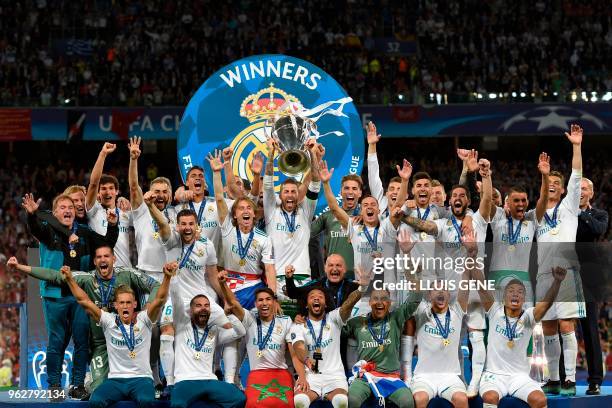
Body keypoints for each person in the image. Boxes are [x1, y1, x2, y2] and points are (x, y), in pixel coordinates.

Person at [7, 245, 160, 392]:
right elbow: (53, 276)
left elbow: (156, 285)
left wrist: (146, 307)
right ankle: (90, 380)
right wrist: (20, 267)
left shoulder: (127, 274)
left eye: (106, 256)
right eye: (99, 257)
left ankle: (155, 378)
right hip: (101, 344)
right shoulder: (87, 278)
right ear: (94, 262)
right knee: (98, 390)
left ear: (114, 258)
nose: (102, 259)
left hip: (127, 341)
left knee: (150, 338)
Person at [402, 159, 491, 396]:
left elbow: (487, 200)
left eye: (462, 195)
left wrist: (486, 175)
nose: (458, 198)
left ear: (468, 201)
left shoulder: (478, 220)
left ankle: (475, 383)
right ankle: (459, 379)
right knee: (451, 339)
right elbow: (424, 226)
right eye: (454, 196)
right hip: (447, 291)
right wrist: (402, 217)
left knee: (476, 333)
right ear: (449, 202)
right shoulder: (442, 223)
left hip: (472, 284)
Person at [22, 192, 119, 400]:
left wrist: (112, 225)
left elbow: (107, 243)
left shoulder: (84, 232)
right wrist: (32, 215)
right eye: (63, 207)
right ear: (55, 212)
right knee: (57, 342)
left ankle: (77, 385)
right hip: (55, 295)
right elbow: (36, 227)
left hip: (80, 297)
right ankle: (55, 387)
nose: (67, 210)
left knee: (82, 341)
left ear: (75, 213)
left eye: (71, 208)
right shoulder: (48, 232)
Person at [62, 260, 175, 408]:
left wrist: (167, 277)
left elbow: (160, 299)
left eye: (129, 302)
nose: (125, 306)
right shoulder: (109, 321)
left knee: (147, 401)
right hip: (115, 380)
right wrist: (70, 279)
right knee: (95, 400)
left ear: (135, 304)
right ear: (116, 305)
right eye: (121, 303)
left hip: (141, 380)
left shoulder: (145, 319)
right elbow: (84, 301)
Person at [145, 197, 228, 390]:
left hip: (200, 298)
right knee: (167, 332)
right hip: (174, 299)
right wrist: (150, 206)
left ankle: (219, 371)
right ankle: (172, 383)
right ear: (177, 226)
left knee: (229, 328)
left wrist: (226, 299)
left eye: (191, 224)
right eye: (183, 224)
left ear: (197, 226)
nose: (187, 228)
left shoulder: (206, 244)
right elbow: (162, 223)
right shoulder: (171, 240)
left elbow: (213, 276)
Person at [209, 149, 277, 385]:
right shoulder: (227, 228)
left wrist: (274, 296)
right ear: (234, 216)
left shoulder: (263, 238)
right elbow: (219, 198)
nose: (246, 211)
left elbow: (269, 270)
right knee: (232, 336)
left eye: (249, 208)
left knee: (247, 335)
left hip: (253, 288)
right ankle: (229, 378)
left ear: (254, 214)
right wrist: (217, 173)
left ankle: (235, 376)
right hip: (228, 287)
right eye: (241, 209)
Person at [472, 261, 567, 408]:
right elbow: (481, 286)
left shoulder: (528, 316)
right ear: (503, 297)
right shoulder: (494, 310)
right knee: (490, 398)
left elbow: (546, 304)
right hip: (493, 375)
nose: (515, 293)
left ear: (524, 299)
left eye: (520, 292)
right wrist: (472, 257)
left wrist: (557, 282)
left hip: (519, 377)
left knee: (540, 400)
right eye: (511, 290)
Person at [537, 124, 585, 396]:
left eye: (557, 184)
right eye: (548, 183)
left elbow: (576, 175)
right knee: (547, 328)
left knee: (567, 325)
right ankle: (553, 378)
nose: (552, 186)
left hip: (566, 274)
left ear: (564, 190)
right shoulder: (538, 212)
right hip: (544, 275)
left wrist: (576, 146)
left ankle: (569, 379)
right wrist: (544, 179)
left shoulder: (569, 207)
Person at [128, 136, 177, 392]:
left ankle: (170, 380)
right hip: (146, 279)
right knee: (149, 331)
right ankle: (153, 377)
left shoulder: (178, 214)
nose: (160, 195)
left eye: (164, 191)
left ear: (170, 194)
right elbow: (133, 185)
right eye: (156, 191)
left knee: (169, 330)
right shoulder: (140, 210)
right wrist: (134, 159)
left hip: (172, 280)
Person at [410, 230, 478, 408]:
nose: (440, 292)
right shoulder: (422, 311)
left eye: (444, 289)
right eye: (436, 289)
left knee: (461, 400)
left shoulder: (457, 310)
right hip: (424, 377)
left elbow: (465, 280)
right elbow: (412, 283)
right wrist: (407, 252)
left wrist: (471, 255)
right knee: (419, 400)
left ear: (449, 295)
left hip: (450, 377)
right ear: (429, 294)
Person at [291, 271, 370, 408]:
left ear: (326, 304)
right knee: (300, 401)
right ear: (306, 304)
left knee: (341, 401)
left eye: (320, 297)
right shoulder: (299, 325)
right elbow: (298, 346)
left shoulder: (334, 318)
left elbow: (347, 305)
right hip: (311, 376)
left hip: (334, 376)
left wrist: (361, 289)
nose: (316, 299)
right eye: (312, 297)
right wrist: (306, 360)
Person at [169, 275, 246, 408]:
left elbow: (240, 332)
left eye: (206, 306)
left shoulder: (215, 331)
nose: (203, 308)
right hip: (185, 381)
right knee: (177, 405)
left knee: (239, 398)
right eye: (198, 306)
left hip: (209, 380)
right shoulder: (182, 323)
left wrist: (229, 316)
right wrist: (173, 277)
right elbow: (176, 298)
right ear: (191, 310)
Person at [220, 277, 297, 407]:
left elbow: (294, 352)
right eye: (260, 300)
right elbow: (233, 302)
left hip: (281, 372)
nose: (264, 303)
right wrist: (223, 284)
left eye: (268, 299)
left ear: (274, 302)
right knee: (252, 404)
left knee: (287, 404)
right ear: (255, 304)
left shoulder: (285, 321)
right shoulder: (250, 319)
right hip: (257, 373)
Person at [487, 153, 550, 305]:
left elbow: (544, 199)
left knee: (525, 324)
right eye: (516, 200)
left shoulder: (531, 219)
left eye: (523, 200)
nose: (521, 204)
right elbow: (487, 199)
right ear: (507, 202)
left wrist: (545, 176)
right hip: (497, 278)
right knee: (497, 324)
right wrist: (486, 176)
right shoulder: (499, 216)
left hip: (523, 279)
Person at [263, 138, 322, 299]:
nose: (290, 194)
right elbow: (267, 183)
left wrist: (312, 154)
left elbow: (316, 181)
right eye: (286, 191)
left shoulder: (306, 211)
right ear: (280, 195)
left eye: (293, 191)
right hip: (277, 278)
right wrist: (270, 154)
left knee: (302, 322)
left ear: (299, 195)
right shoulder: (271, 211)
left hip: (303, 278)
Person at [345, 284, 422, 407]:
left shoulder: (396, 318)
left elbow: (416, 299)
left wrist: (413, 277)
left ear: (389, 303)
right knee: (351, 399)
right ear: (369, 302)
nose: (379, 302)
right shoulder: (357, 322)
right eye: (375, 298)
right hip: (365, 377)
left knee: (407, 402)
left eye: (384, 298)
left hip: (391, 378)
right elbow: (337, 324)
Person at [576, 177, 609, 395]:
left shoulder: (599, 214)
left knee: (589, 330)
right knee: (562, 328)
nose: (580, 192)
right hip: (561, 275)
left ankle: (595, 379)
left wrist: (580, 213)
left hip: (587, 277)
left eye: (584, 189)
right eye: (577, 188)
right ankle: (561, 379)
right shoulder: (562, 214)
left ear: (591, 193)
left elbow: (597, 230)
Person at [86, 142, 133, 268]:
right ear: (98, 193)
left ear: (117, 191)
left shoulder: (126, 212)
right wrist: (103, 154)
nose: (107, 192)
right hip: (101, 271)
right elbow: (93, 183)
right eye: (103, 189)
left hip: (124, 271)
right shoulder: (93, 211)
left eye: (111, 188)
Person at [310, 174, 363, 279]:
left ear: (360, 193)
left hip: (360, 275)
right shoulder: (328, 215)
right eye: (346, 188)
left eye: (354, 188)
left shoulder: (367, 216)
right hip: (334, 275)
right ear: (341, 192)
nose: (350, 192)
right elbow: (306, 233)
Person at [285, 254, 359, 312]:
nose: (335, 269)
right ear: (325, 269)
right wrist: (289, 278)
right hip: (324, 328)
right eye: (331, 265)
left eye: (338, 265)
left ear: (345, 269)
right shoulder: (316, 284)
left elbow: (368, 298)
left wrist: (365, 285)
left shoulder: (353, 286)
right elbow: (293, 293)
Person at [366, 121, 405, 217]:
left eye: (399, 189)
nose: (395, 192)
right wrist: (372, 145)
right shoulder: (380, 202)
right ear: (386, 194)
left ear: (406, 195)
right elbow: (373, 174)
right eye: (392, 189)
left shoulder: (411, 210)